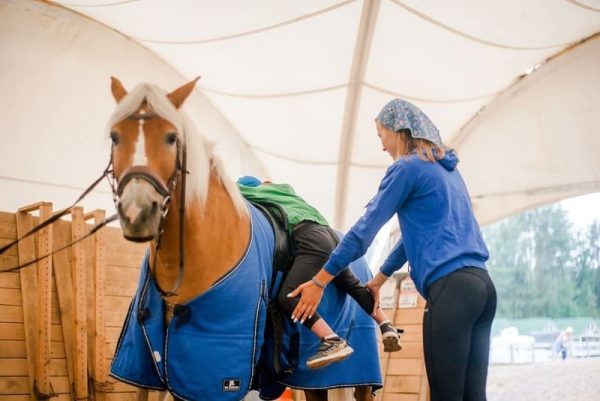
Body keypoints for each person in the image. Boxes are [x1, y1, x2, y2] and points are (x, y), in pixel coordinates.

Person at [288, 99, 497, 401]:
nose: (382, 145)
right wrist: (379, 278)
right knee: (474, 395)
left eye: (381, 135)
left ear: (399, 131)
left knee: (446, 395)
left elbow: (362, 233)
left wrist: (320, 281)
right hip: (482, 289)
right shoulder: (447, 171)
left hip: (451, 291)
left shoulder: (407, 168)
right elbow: (412, 238)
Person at [237, 176, 401, 370]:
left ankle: (331, 340)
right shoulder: (284, 190)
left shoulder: (250, 192)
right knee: (352, 284)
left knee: (287, 297)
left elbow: (233, 194)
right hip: (331, 236)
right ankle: (386, 324)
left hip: (310, 239)